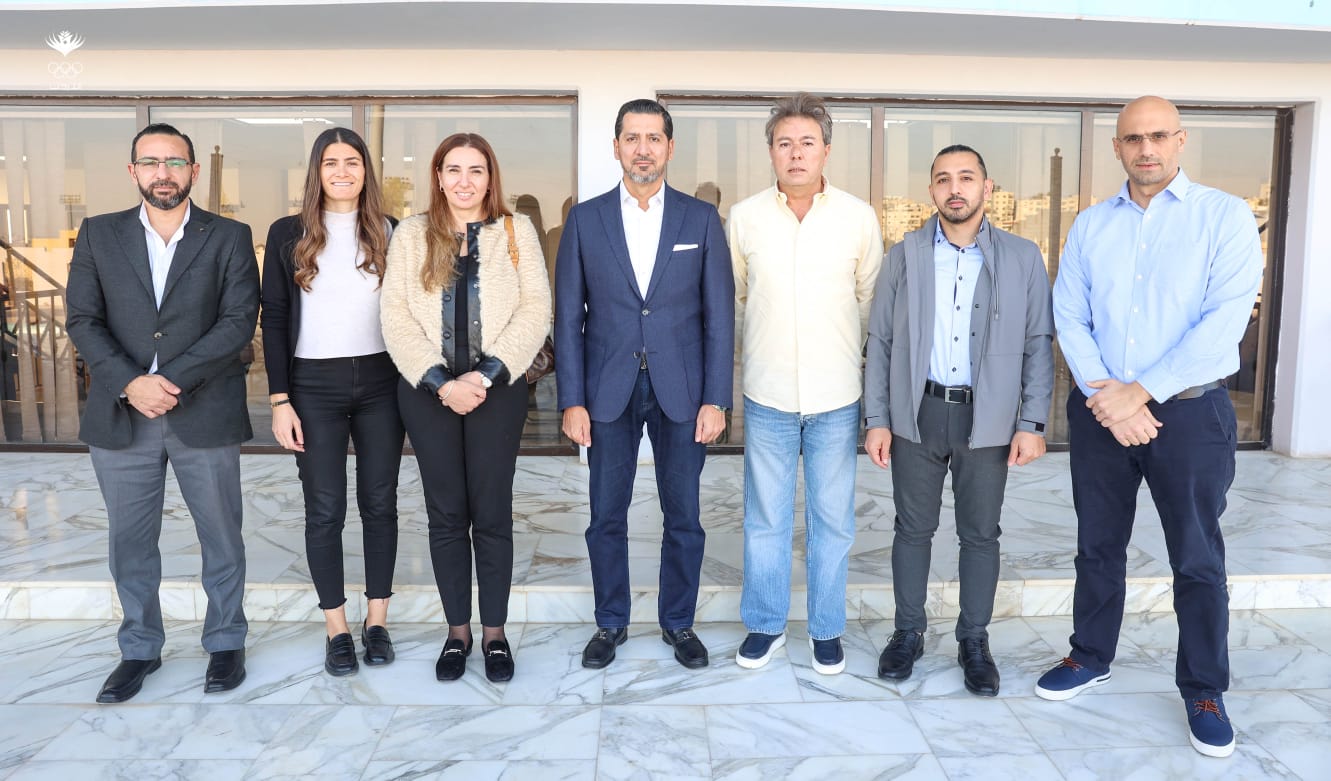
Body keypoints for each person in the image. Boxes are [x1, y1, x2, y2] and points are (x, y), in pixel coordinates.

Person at [1038, 96, 1263, 759]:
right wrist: (1108, 397)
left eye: (1158, 136)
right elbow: (1069, 314)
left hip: (1190, 412)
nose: (1146, 148)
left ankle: (1204, 689)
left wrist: (1139, 393)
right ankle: (1089, 654)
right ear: (1117, 147)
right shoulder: (1090, 225)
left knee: (1196, 557)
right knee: (1097, 545)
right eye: (1133, 138)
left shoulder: (1223, 217)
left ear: (1180, 141)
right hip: (1100, 410)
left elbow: (1223, 323)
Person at [65, 123, 259, 703]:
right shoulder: (99, 233)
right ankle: (139, 648)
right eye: (150, 162)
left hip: (204, 408)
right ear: (133, 172)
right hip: (122, 414)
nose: (163, 173)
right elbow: (82, 320)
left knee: (221, 535)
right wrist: (131, 383)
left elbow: (237, 322)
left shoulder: (229, 235)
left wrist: (166, 381)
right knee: (130, 541)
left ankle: (226, 641)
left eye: (174, 162)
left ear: (193, 171)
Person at [863, 144, 1054, 696]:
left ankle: (974, 639)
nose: (955, 188)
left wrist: (1032, 422)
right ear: (931, 191)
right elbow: (880, 340)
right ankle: (908, 632)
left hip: (988, 416)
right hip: (917, 413)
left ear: (986, 188)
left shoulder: (1022, 257)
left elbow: (1038, 343)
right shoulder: (904, 255)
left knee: (980, 534)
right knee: (911, 530)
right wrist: (877, 418)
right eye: (944, 179)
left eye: (966, 178)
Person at [555, 98, 733, 670]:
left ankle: (678, 622)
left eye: (654, 138)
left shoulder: (700, 219)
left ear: (670, 148)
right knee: (606, 515)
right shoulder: (585, 220)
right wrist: (572, 400)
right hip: (607, 391)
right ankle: (611, 622)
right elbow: (568, 318)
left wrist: (716, 398)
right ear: (616, 147)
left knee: (684, 516)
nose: (643, 149)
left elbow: (719, 317)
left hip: (682, 390)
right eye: (632, 138)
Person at [381, 132, 551, 683]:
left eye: (476, 170)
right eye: (453, 169)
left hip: (496, 392)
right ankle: (458, 633)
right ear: (437, 176)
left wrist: (484, 375)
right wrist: (440, 382)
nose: (464, 181)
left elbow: (536, 309)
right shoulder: (411, 234)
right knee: (447, 514)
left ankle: (495, 633)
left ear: (490, 177)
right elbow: (394, 315)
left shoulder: (515, 231)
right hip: (427, 394)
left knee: (492, 512)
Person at [729, 92, 883, 674]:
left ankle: (826, 629)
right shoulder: (745, 217)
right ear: (771, 151)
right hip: (767, 392)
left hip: (835, 395)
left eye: (807, 143)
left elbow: (869, 301)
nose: (796, 153)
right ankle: (765, 625)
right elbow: (738, 297)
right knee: (765, 519)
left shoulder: (858, 217)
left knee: (832, 521)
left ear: (826, 151)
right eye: (785, 143)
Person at [261, 127, 404, 677]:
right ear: (316, 172)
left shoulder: (391, 230)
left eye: (352, 162)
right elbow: (274, 317)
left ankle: (377, 622)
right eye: (330, 162)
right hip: (312, 387)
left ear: (366, 171)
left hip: (381, 382)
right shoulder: (287, 233)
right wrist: (280, 399)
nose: (342, 172)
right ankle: (337, 629)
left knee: (380, 503)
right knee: (324, 509)